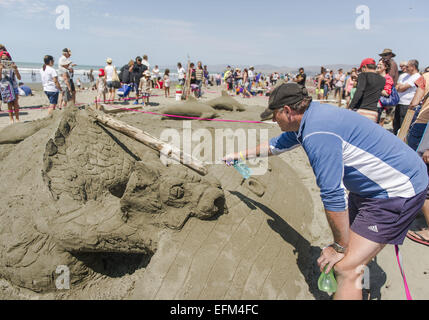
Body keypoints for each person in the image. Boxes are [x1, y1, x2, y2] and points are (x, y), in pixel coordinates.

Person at [223, 83, 429, 300]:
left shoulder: (318, 134)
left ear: (287, 111)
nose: (274, 121)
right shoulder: (313, 115)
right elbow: (278, 145)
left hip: (396, 192)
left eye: (275, 115)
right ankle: (357, 284)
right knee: (352, 256)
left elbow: (333, 196)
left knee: (345, 267)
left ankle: (352, 280)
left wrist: (338, 246)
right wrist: (240, 155)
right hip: (373, 186)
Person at [348, 58, 385, 123]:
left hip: (361, 110)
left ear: (364, 67)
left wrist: (350, 107)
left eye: (361, 69)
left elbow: (359, 91)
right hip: (373, 112)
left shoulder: (363, 75)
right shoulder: (382, 79)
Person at [393, 59, 421, 135]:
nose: (405, 68)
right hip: (399, 102)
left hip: (407, 104)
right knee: (396, 124)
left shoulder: (417, 77)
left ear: (413, 67)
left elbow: (402, 88)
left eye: (407, 66)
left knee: (403, 125)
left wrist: (401, 87)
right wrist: (400, 87)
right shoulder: (404, 76)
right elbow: (397, 87)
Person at [0, 51, 21, 124]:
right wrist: (0, 69)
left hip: (14, 86)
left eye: (7, 59)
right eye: (3, 60)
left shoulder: (12, 65)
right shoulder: (0, 66)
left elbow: (19, 78)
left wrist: (16, 69)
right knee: (9, 104)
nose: (5, 61)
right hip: (5, 86)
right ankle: (11, 119)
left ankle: (17, 119)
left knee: (15, 103)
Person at [376, 59, 394, 126]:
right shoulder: (376, 76)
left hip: (380, 105)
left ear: (385, 67)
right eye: (378, 64)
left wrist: (375, 88)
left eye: (380, 64)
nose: (378, 65)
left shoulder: (388, 78)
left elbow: (387, 93)